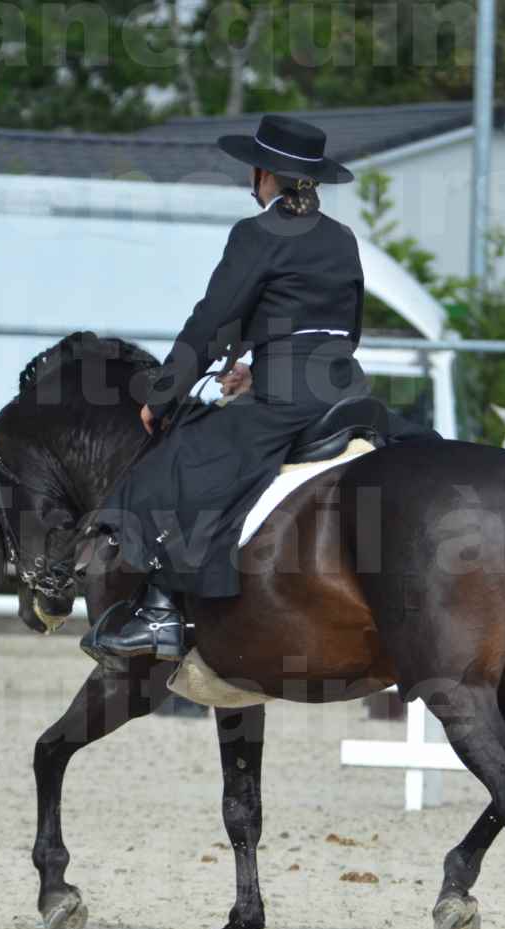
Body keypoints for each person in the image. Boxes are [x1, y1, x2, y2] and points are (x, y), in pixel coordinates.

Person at [81, 113, 368, 664]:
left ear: (263, 174)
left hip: (289, 396)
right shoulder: (342, 237)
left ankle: (162, 613)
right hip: (346, 388)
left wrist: (164, 395)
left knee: (178, 462)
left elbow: (213, 319)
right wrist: (258, 369)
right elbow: (341, 327)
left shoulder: (257, 233)